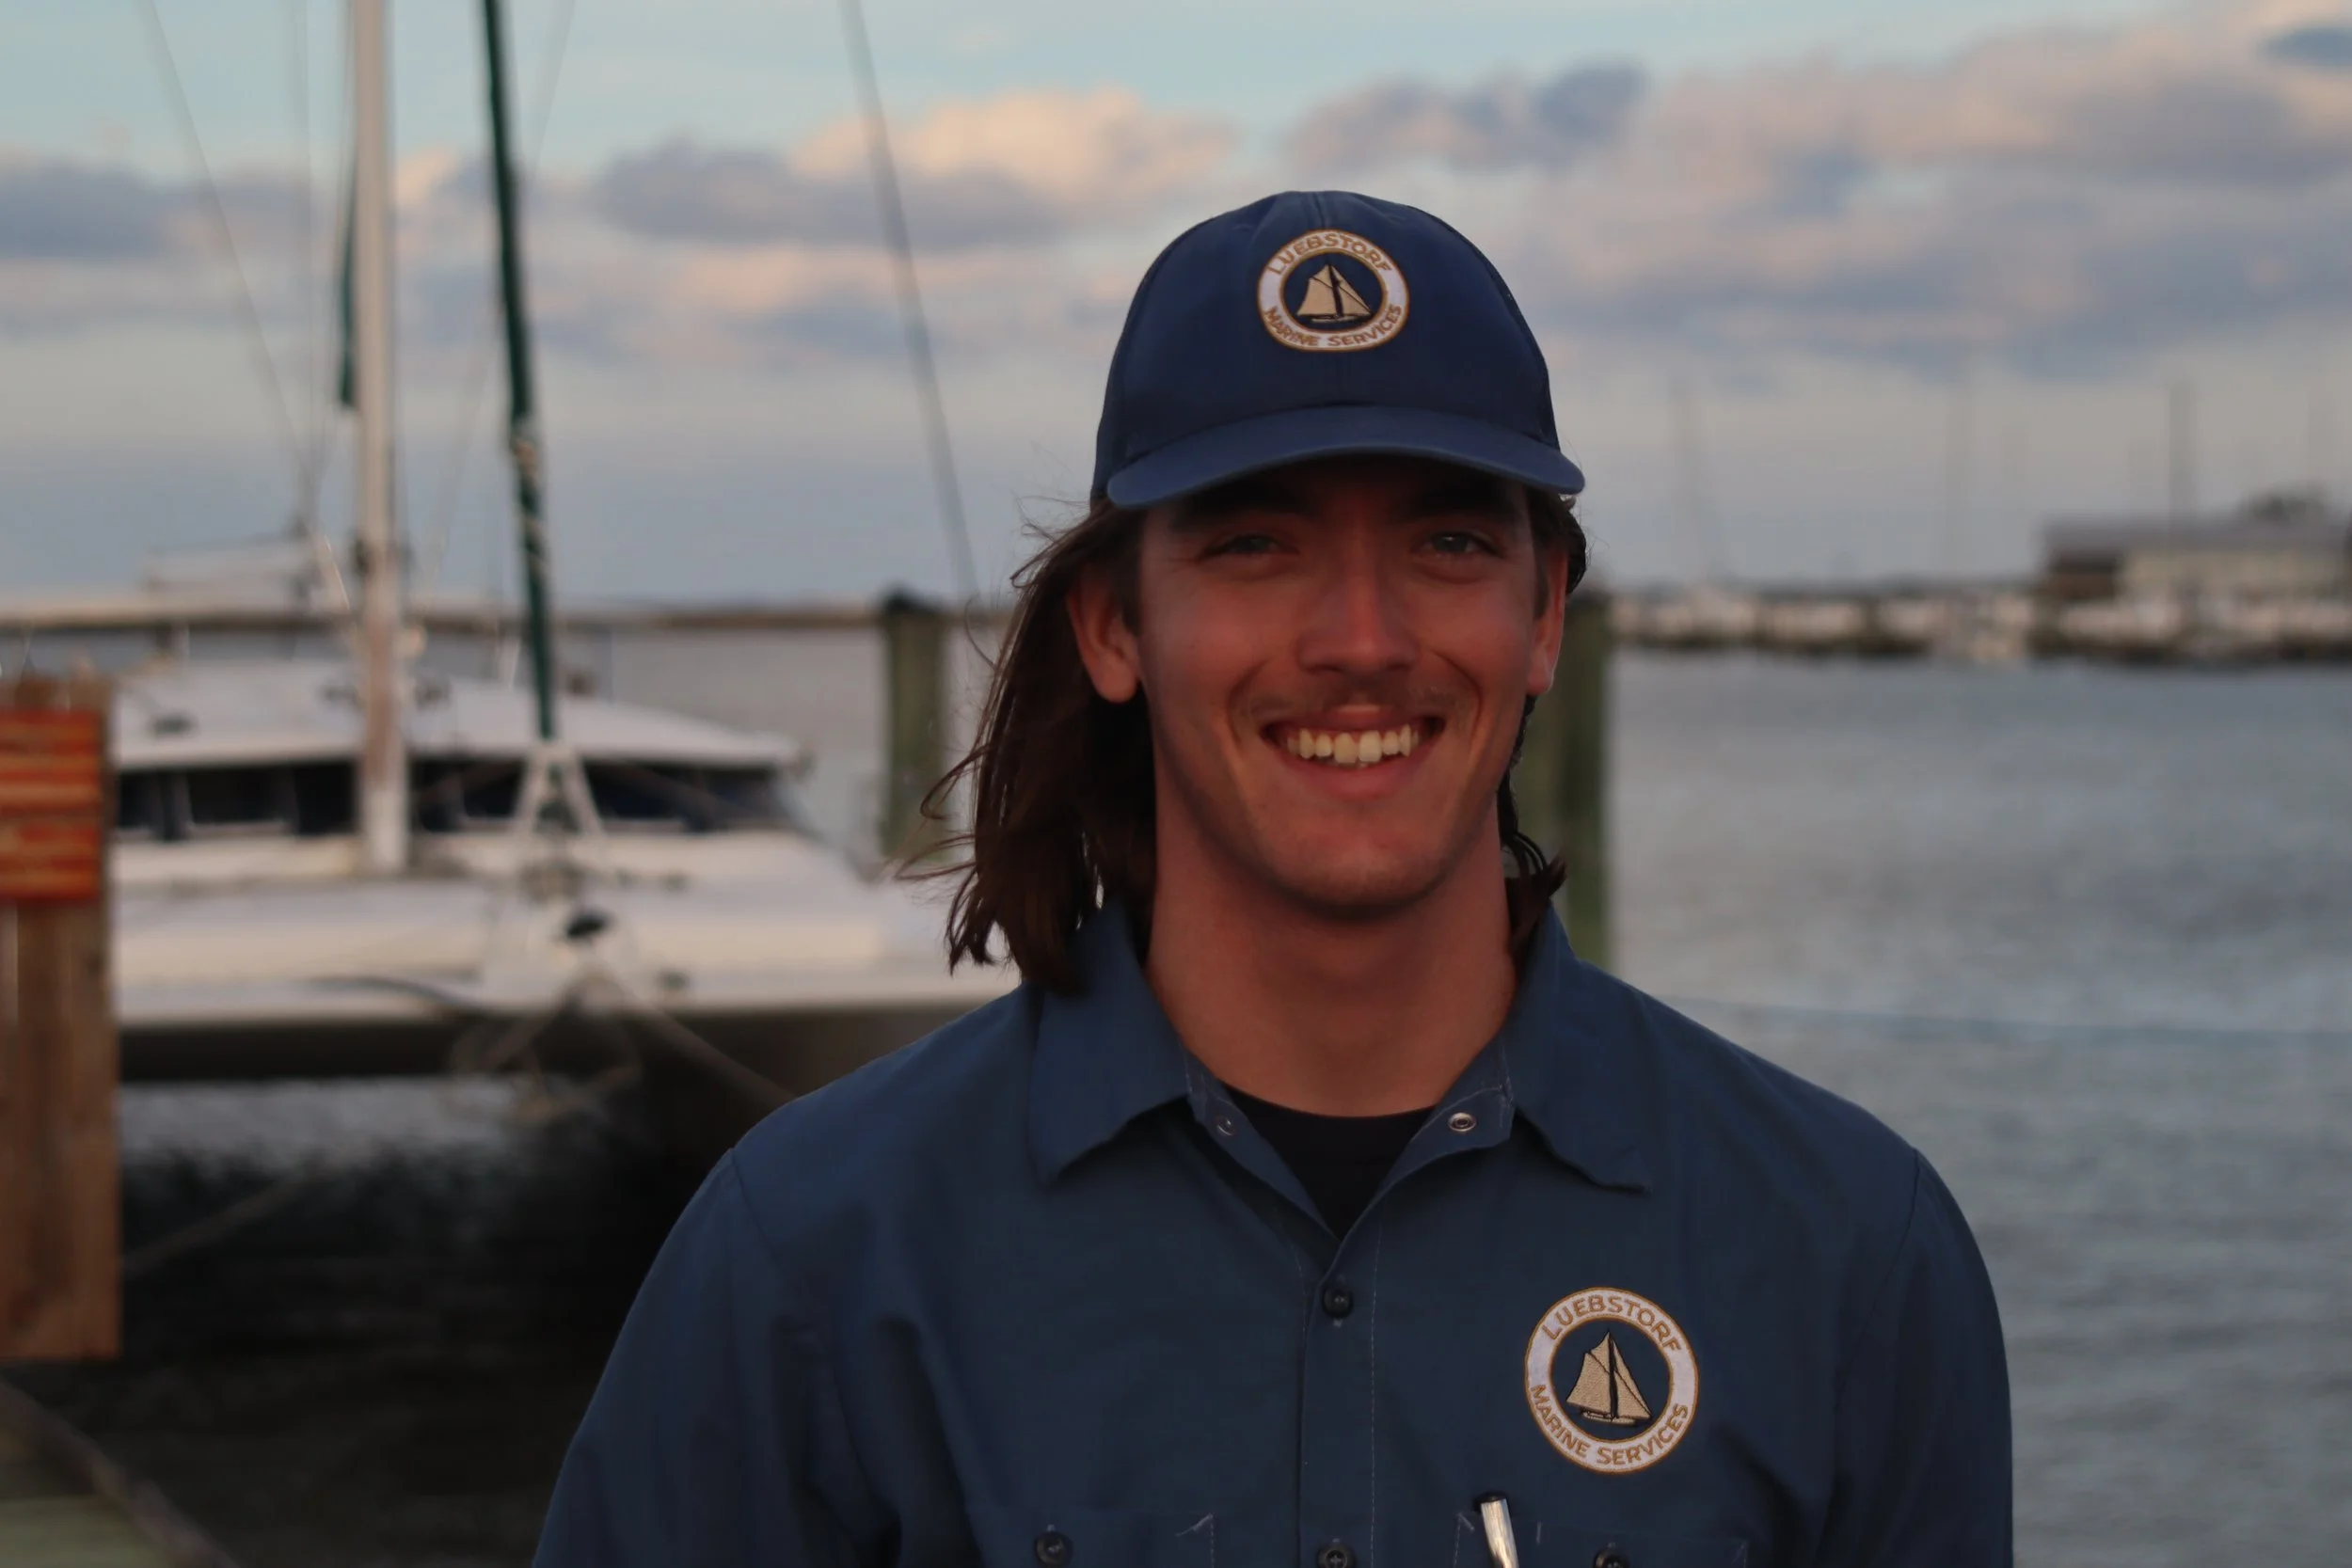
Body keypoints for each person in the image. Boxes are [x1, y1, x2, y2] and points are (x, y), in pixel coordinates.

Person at [535, 190, 2010, 1568]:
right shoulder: (815, 1257)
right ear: (1115, 625)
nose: (1361, 636)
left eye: (1443, 539)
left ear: (1545, 612)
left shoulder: (1841, 1251)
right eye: (1256, 542)